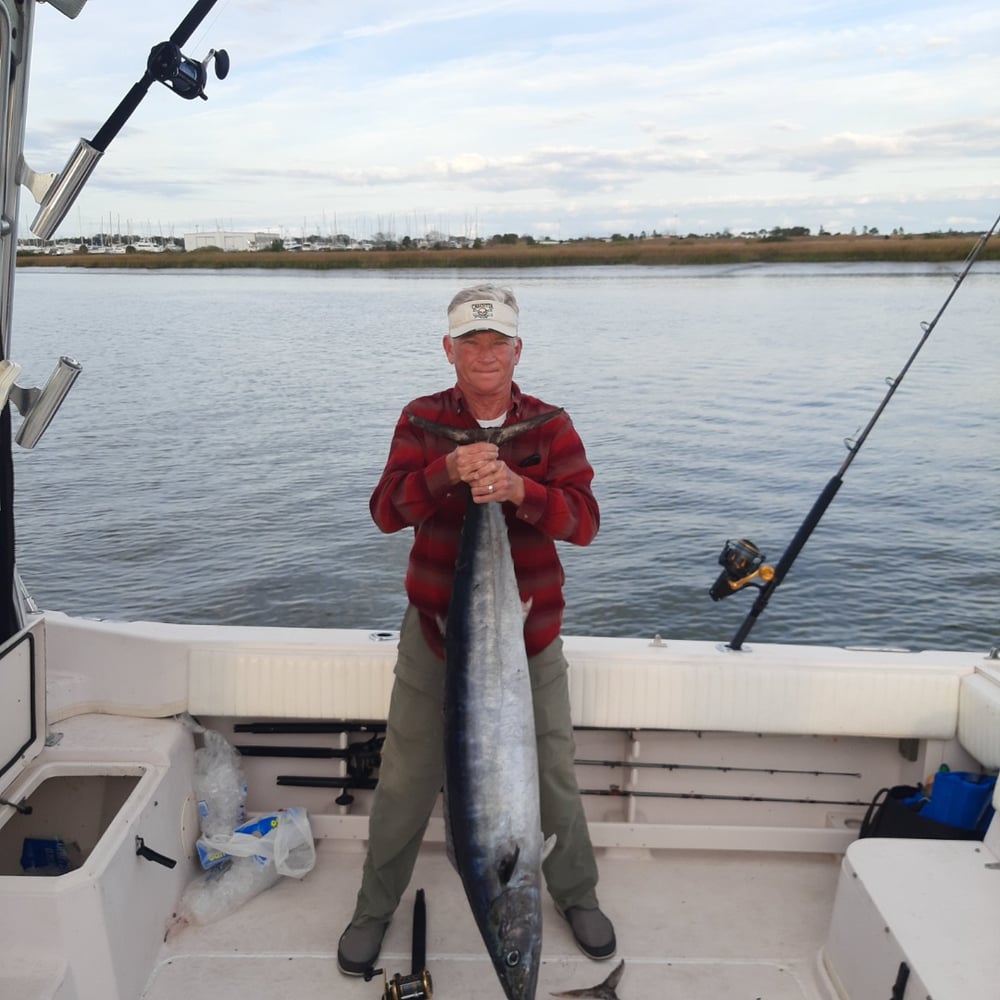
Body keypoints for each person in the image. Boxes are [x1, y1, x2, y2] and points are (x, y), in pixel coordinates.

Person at [337, 283, 615, 975]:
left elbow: (583, 522)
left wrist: (521, 490)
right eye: (471, 342)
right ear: (449, 349)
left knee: (552, 774)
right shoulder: (422, 418)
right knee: (403, 778)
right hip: (436, 634)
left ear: (518, 349)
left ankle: (576, 891)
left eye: (497, 343)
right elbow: (384, 512)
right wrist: (445, 472)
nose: (484, 355)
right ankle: (374, 907)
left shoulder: (550, 425)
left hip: (529, 636)